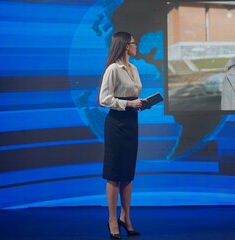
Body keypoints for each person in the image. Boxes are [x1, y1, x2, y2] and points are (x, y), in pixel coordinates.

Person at [98, 31, 145, 239]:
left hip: (131, 122)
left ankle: (126, 217)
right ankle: (111, 219)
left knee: (128, 172)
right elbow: (104, 99)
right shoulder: (112, 69)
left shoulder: (134, 68)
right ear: (126, 46)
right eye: (134, 43)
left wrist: (141, 104)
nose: (137, 46)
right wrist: (128, 104)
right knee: (114, 173)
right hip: (116, 123)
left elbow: (133, 94)